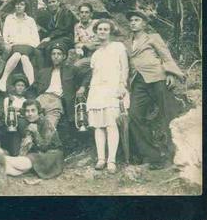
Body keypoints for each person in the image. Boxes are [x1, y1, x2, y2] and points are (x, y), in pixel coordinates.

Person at [126, 11, 185, 170]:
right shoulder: (127, 42)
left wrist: (170, 73)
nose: (133, 23)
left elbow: (166, 56)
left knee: (169, 114)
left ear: (144, 23)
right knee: (134, 115)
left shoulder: (153, 37)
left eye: (137, 20)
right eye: (131, 20)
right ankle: (154, 156)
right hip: (138, 81)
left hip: (158, 78)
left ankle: (177, 153)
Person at [86, 19, 129, 174]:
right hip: (97, 90)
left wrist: (122, 85)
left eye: (105, 29)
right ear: (96, 32)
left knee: (111, 124)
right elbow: (94, 74)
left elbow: (125, 67)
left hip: (113, 89)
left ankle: (111, 160)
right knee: (98, 126)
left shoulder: (118, 47)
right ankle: (100, 159)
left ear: (110, 31)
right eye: (100, 29)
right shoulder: (96, 54)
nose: (102, 31)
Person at [0, 99, 64, 179]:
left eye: (33, 110)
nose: (30, 114)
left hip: (51, 155)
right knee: (17, 169)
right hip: (38, 154)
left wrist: (35, 132)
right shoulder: (28, 122)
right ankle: (0, 164)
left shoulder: (46, 122)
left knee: (28, 161)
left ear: (38, 111)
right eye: (27, 111)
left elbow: (44, 146)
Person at [32, 42, 92, 131]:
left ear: (64, 56)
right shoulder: (43, 72)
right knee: (30, 121)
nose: (56, 56)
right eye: (53, 54)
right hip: (40, 99)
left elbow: (88, 73)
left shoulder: (71, 70)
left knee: (49, 127)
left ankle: (43, 142)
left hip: (55, 100)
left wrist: (82, 87)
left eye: (59, 54)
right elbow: (32, 89)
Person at [0, 0, 40, 92]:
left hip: (28, 46)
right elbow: (5, 34)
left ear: (25, 7)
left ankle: (5, 78)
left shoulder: (30, 20)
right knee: (21, 57)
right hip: (14, 45)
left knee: (21, 55)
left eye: (21, 4)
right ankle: (5, 79)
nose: (19, 6)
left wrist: (34, 46)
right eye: (17, 4)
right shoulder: (9, 18)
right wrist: (7, 44)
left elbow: (36, 37)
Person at [37, 0, 79, 68]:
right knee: (39, 48)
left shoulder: (66, 13)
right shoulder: (51, 15)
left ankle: (50, 69)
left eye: (54, 1)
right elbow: (49, 30)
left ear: (58, 2)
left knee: (51, 47)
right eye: (49, 3)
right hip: (55, 38)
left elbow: (65, 29)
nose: (51, 4)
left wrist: (50, 38)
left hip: (66, 38)